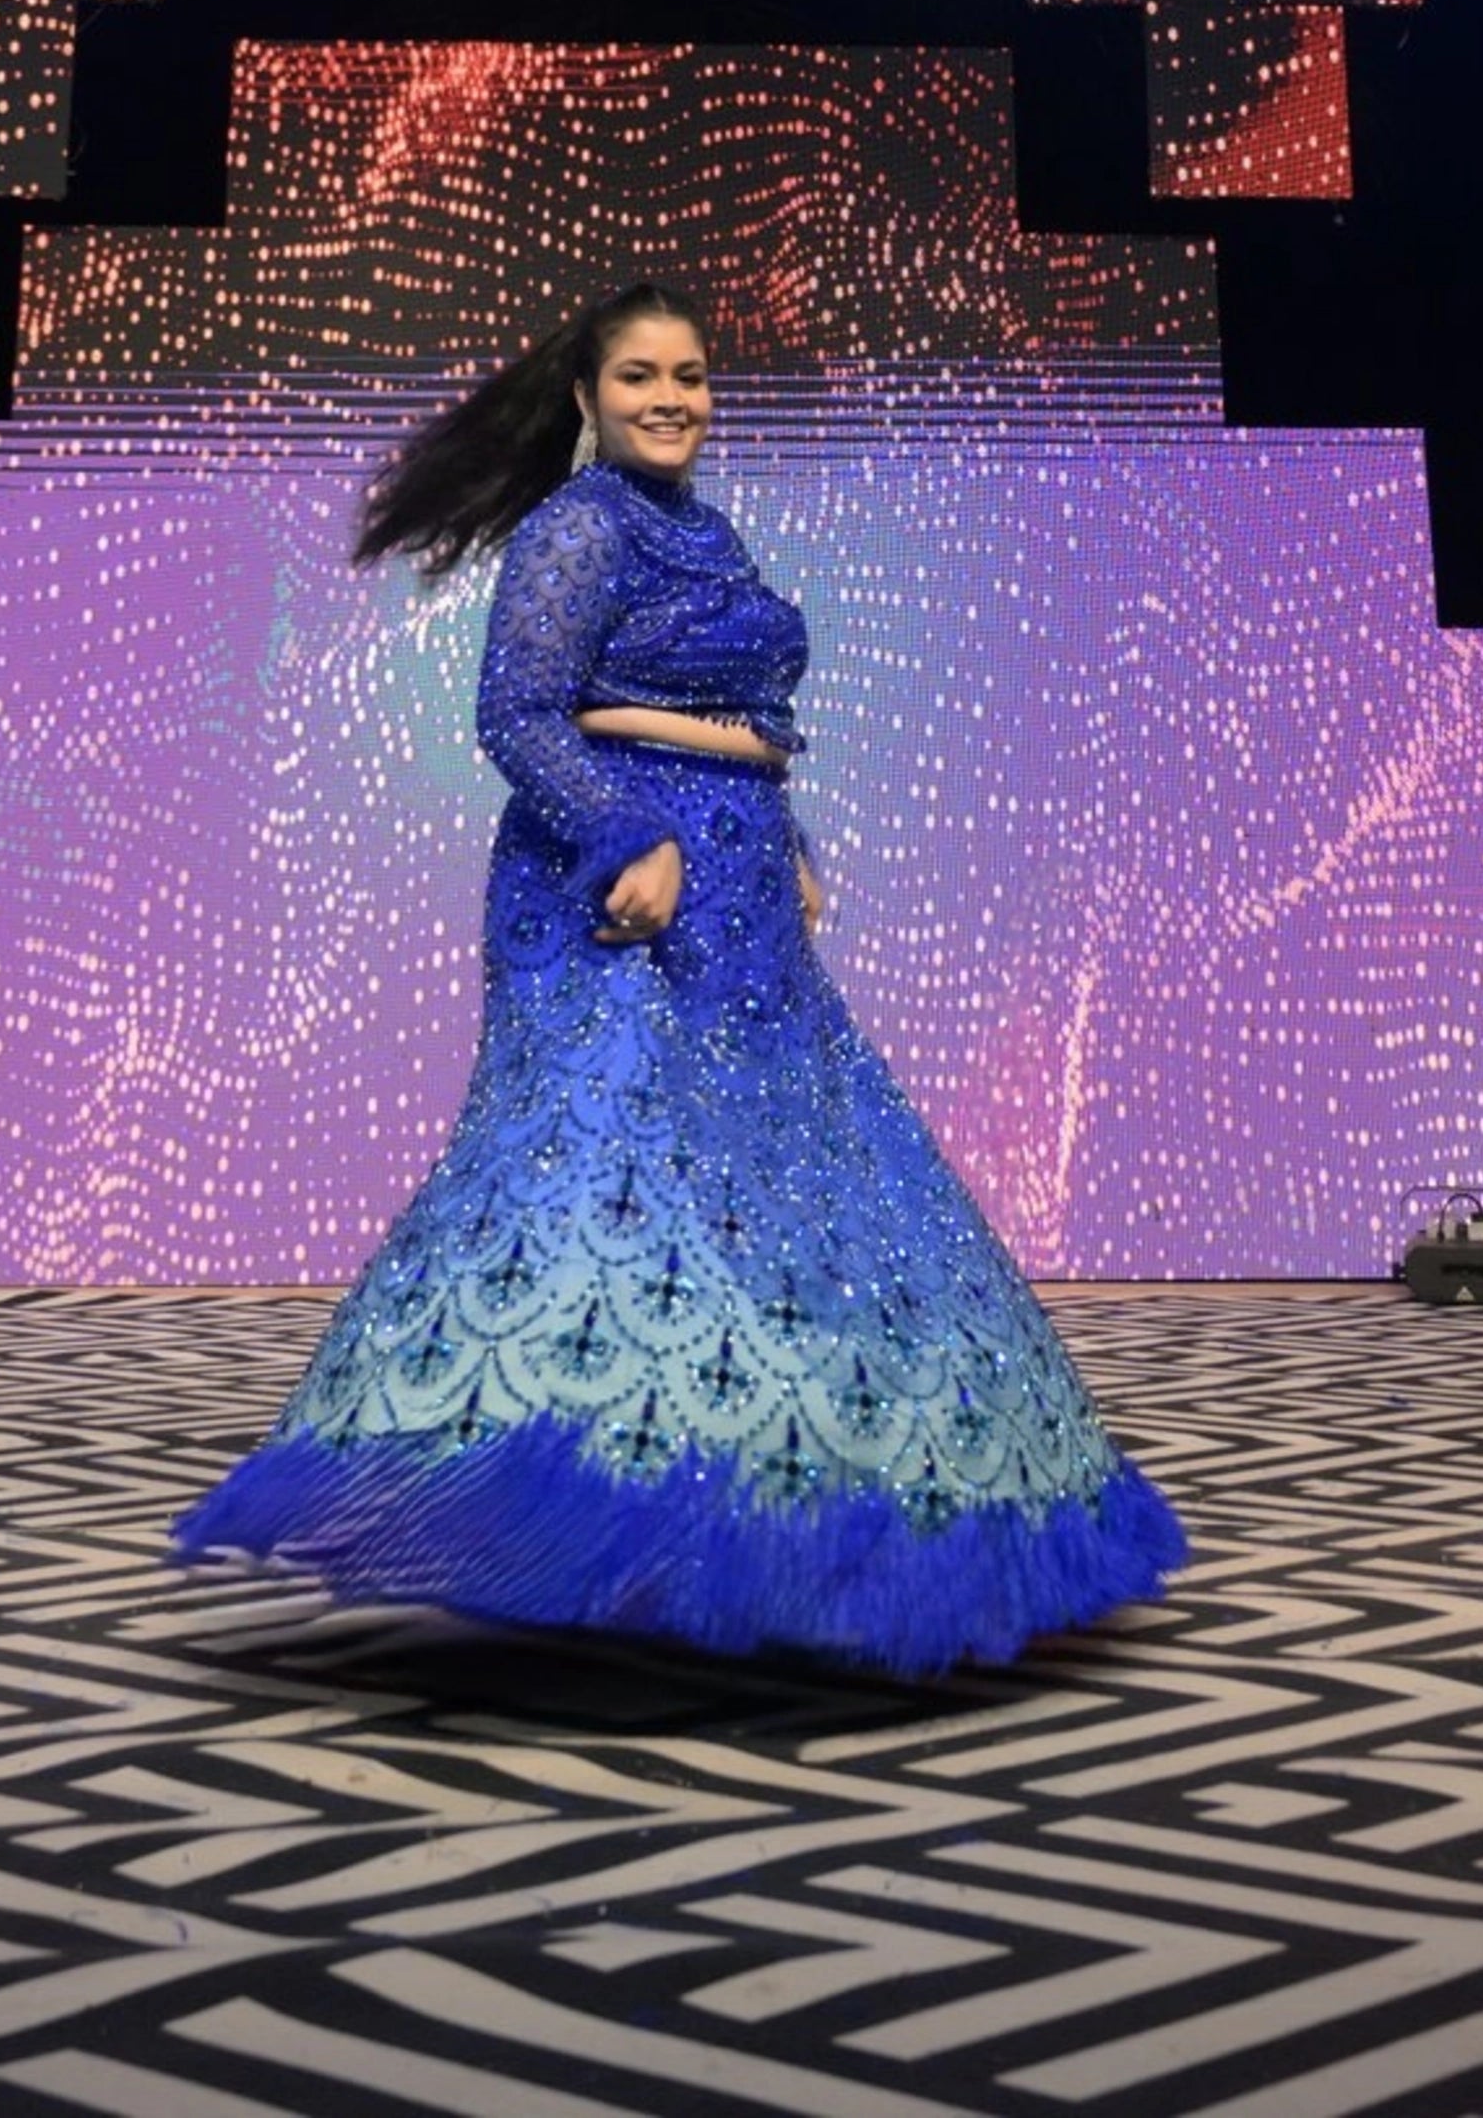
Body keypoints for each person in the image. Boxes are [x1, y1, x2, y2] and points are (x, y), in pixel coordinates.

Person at [168, 279, 1190, 1675]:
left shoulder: (706, 531)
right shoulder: (576, 528)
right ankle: (553, 1499)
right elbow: (518, 710)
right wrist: (626, 837)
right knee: (591, 1179)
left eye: (693, 374)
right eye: (641, 374)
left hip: (740, 889)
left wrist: (790, 841)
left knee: (773, 1190)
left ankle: (748, 1513)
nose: (671, 397)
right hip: (612, 890)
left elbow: (750, 717)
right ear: (587, 397)